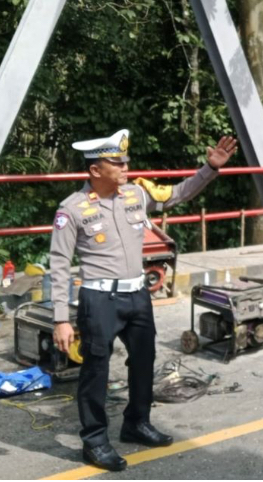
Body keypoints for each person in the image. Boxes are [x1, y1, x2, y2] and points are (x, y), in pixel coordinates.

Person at [50, 129, 237, 472]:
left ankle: (136, 422)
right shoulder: (72, 210)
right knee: (95, 370)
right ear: (95, 170)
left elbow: (178, 194)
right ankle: (94, 440)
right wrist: (61, 318)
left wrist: (210, 168)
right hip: (99, 298)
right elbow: (59, 264)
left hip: (137, 295)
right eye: (117, 162)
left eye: (126, 161)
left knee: (143, 360)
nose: (125, 166)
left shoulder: (135, 193)